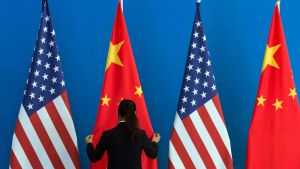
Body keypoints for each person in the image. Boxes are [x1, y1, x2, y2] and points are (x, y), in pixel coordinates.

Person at [86, 99, 160, 169]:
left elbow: (94, 157)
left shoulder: (107, 135)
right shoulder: (141, 134)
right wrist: (154, 142)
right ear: (135, 114)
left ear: (118, 113)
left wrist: (89, 143)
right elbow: (152, 154)